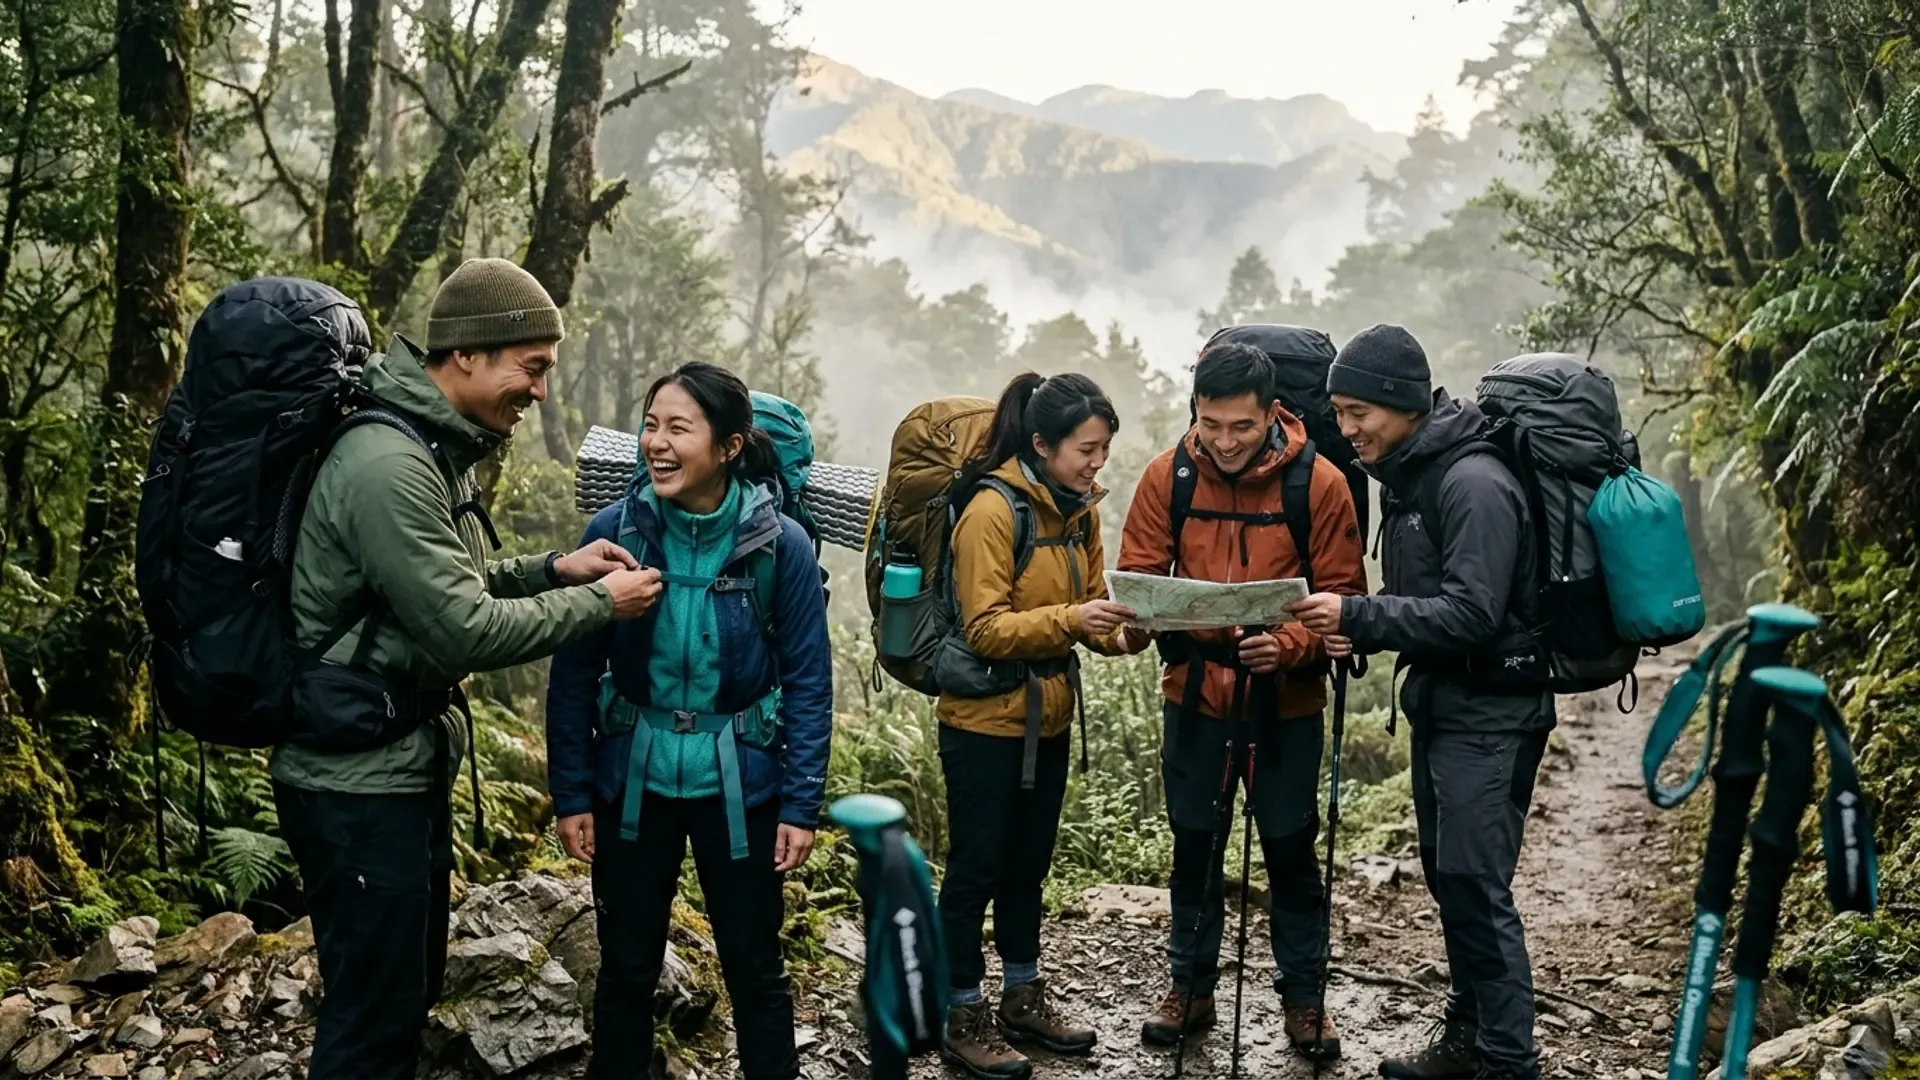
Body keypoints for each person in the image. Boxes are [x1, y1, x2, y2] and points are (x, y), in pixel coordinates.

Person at [270, 258, 663, 1080]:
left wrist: (553, 571)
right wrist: (601, 604)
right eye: (533, 367)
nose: (542, 391)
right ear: (468, 354)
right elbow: (462, 631)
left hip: (391, 767)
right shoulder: (388, 464)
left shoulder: (427, 445)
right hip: (354, 786)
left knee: (399, 1001)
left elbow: (440, 588)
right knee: (371, 1022)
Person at [544, 361, 833, 1080]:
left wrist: (800, 805)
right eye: (651, 425)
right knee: (625, 969)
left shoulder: (780, 546)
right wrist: (572, 793)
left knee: (755, 968)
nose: (658, 443)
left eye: (679, 428)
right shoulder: (614, 533)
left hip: (743, 787)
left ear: (730, 447)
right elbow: (574, 671)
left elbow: (808, 682)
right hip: (631, 785)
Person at [1286, 324, 1552, 1080]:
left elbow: (1473, 613)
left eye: (1358, 412)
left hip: (1492, 710)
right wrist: (1357, 628)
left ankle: (1509, 1060)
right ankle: (1467, 1035)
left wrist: (1358, 615)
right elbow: (1425, 605)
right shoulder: (1412, 474)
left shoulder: (1472, 483)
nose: (1347, 429)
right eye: (1338, 413)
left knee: (1475, 883)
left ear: (1404, 403)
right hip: (1446, 703)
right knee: (1450, 877)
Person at [1115, 340, 1369, 1063]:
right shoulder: (1168, 476)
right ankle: (1189, 988)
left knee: (1290, 848)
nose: (1224, 442)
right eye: (1211, 424)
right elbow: (1140, 576)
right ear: (1194, 410)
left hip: (1286, 702)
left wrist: (1286, 646)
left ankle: (1305, 999)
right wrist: (1151, 622)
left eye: (1242, 427)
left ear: (1272, 413)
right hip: (1195, 693)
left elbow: (1346, 601)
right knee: (1194, 844)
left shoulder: (1318, 484)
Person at [934, 372, 1144, 1080]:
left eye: (1104, 449)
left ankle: (1022, 998)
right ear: (1042, 445)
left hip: (1047, 718)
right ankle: (962, 1014)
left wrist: (1130, 633)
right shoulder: (992, 511)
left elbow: (1090, 613)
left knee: (1028, 866)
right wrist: (1074, 620)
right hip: (982, 723)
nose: (1097, 463)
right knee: (976, 870)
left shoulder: (1078, 512)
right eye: (1087, 449)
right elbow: (985, 628)